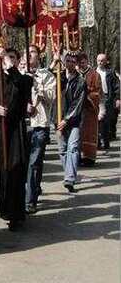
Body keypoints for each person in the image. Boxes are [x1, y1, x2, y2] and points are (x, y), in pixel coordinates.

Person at [0, 48, 31, 230]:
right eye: (5, 57)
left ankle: (16, 214)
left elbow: (23, 93)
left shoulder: (24, 79)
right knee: (1, 170)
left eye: (13, 57)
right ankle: (3, 208)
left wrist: (11, 68)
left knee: (15, 171)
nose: (9, 60)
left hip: (16, 131)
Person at [25, 45, 56, 214]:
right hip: (23, 123)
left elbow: (52, 97)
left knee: (35, 162)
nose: (29, 55)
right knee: (24, 163)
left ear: (39, 55)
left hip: (40, 124)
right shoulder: (21, 73)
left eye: (32, 52)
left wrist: (38, 86)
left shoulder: (47, 75)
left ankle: (30, 200)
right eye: (27, 52)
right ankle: (33, 189)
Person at [57, 52, 86, 193]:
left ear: (75, 63)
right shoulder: (59, 76)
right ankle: (69, 173)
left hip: (73, 120)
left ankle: (69, 179)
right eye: (67, 60)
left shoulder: (80, 81)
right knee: (62, 150)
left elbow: (78, 103)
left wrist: (67, 119)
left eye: (72, 61)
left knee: (73, 147)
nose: (69, 63)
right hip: (58, 118)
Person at [77, 52, 102, 166]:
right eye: (79, 63)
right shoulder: (75, 74)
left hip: (89, 109)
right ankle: (77, 156)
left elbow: (97, 92)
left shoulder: (95, 75)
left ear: (87, 62)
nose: (81, 65)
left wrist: (87, 96)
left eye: (83, 62)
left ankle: (89, 158)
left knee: (89, 132)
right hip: (76, 109)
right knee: (77, 133)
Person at [96, 54, 119, 150]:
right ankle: (97, 142)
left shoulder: (110, 72)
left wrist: (118, 98)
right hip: (96, 98)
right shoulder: (93, 72)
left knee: (105, 121)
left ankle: (105, 141)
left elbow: (117, 87)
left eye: (102, 60)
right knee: (97, 121)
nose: (100, 62)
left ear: (106, 62)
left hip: (107, 98)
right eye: (99, 60)